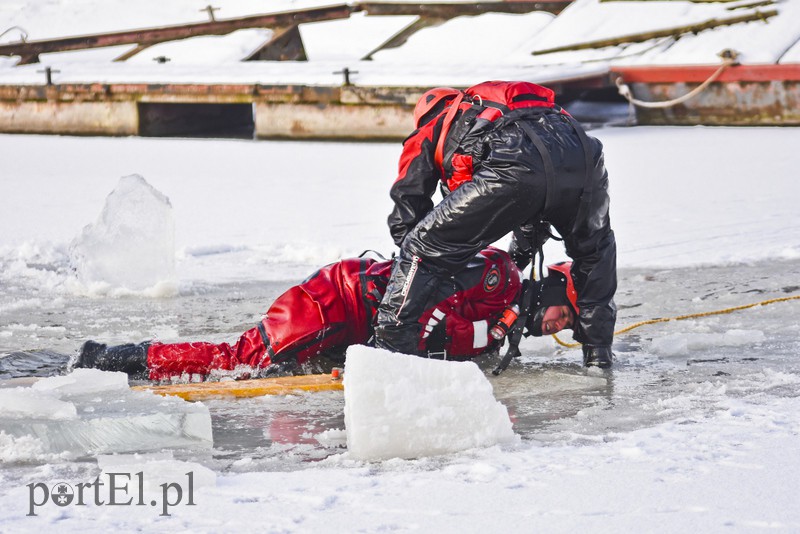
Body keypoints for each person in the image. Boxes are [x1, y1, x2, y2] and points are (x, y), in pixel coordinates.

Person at [376, 80, 617, 368]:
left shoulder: (435, 124)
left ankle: (390, 354)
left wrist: (415, 270)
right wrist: (514, 266)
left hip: (512, 166)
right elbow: (532, 207)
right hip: (584, 160)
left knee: (420, 245)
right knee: (594, 252)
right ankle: (598, 355)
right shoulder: (520, 112)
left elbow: (408, 204)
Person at [75, 247, 528, 381]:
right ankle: (119, 357)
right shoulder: (499, 275)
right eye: (564, 316)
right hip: (335, 301)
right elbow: (433, 321)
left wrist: (496, 329)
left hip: (353, 313)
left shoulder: (503, 294)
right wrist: (494, 330)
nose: (557, 328)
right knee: (238, 359)